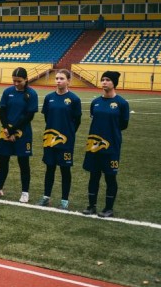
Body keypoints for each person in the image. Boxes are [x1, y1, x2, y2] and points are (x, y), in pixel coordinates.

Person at [0, 67, 38, 203]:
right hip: (6, 132)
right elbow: (2, 111)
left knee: (23, 163)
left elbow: (29, 116)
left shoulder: (31, 94)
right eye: (14, 81)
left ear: (26, 79)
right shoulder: (7, 91)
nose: (15, 83)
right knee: (3, 161)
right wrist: (6, 129)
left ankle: (25, 192)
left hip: (23, 133)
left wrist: (13, 130)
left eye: (19, 81)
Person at [82, 71, 129, 218]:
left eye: (108, 80)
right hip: (94, 145)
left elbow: (123, 124)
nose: (104, 82)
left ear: (114, 83)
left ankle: (109, 208)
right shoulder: (95, 102)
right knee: (93, 176)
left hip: (112, 146)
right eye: (102, 79)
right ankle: (91, 206)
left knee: (110, 177)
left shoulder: (122, 103)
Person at [39, 70, 82, 209]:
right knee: (49, 168)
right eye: (57, 78)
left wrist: (68, 133)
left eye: (62, 78)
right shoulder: (49, 97)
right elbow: (47, 117)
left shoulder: (74, 99)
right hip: (49, 139)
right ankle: (46, 197)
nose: (58, 81)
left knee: (65, 170)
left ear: (68, 81)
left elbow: (77, 121)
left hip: (66, 142)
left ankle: (64, 200)